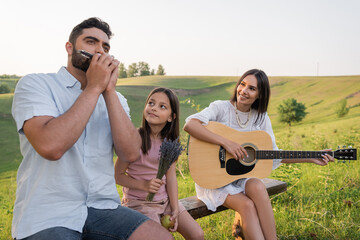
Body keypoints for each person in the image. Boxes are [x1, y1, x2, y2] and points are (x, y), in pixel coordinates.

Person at [11, 17, 173, 240]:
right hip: (48, 213)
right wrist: (94, 87)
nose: (99, 51)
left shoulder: (116, 99)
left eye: (105, 47)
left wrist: (108, 91)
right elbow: (51, 147)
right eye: (90, 42)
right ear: (70, 48)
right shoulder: (36, 84)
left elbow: (130, 153)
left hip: (103, 209)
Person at [183, 69, 334, 240]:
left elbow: (274, 154)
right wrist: (226, 142)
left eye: (252, 88)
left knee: (257, 185)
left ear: (260, 95)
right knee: (246, 205)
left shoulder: (261, 117)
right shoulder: (221, 108)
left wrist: (311, 157)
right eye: (242, 84)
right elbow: (190, 125)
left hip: (240, 177)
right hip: (215, 178)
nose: (244, 91)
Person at [115, 87, 204, 240]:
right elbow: (117, 176)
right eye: (151, 103)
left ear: (171, 117)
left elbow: (170, 178)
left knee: (197, 234)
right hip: (140, 204)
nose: (154, 108)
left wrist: (175, 209)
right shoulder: (134, 138)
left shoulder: (169, 143)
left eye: (162, 106)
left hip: (166, 202)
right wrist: (144, 185)